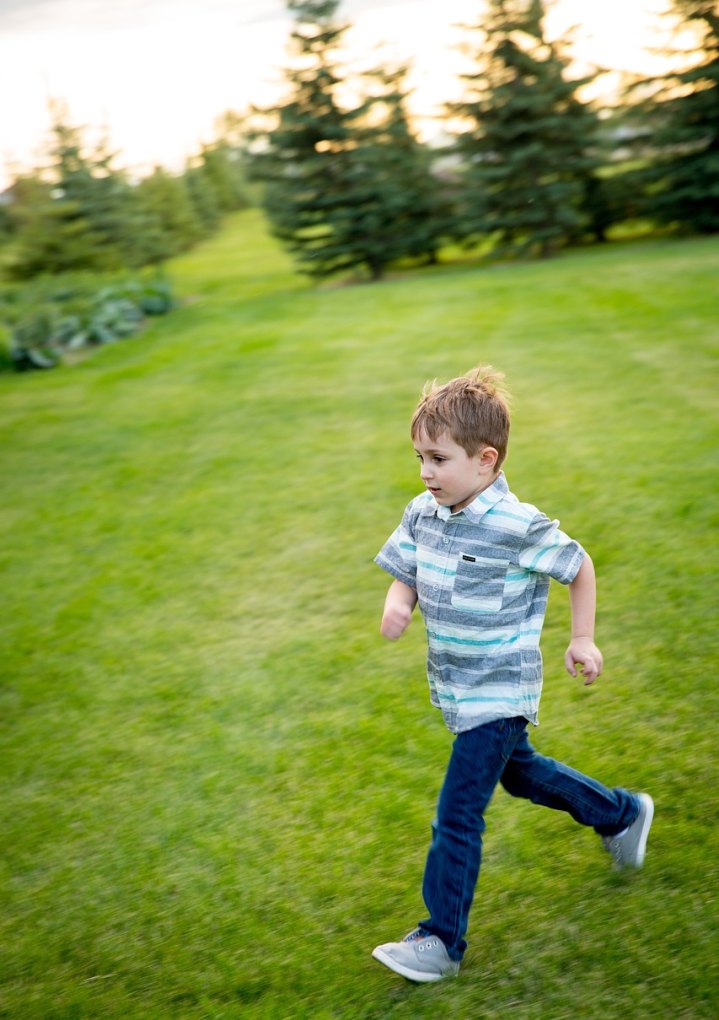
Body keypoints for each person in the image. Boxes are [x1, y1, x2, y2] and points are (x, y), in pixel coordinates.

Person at [371, 367, 653, 984]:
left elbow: (578, 566)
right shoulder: (424, 511)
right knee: (522, 776)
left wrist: (582, 638)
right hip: (457, 681)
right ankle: (622, 814)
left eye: (438, 459)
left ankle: (440, 939)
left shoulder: (518, 525)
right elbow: (407, 566)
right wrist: (400, 599)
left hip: (499, 689)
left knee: (458, 813)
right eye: (419, 457)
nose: (424, 472)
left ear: (486, 460)